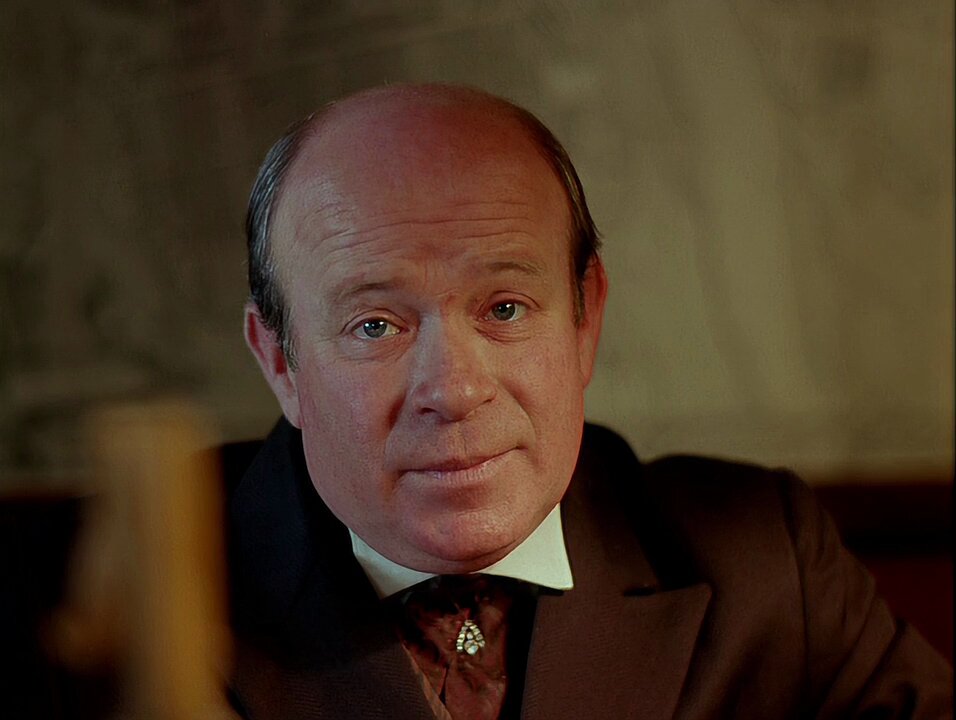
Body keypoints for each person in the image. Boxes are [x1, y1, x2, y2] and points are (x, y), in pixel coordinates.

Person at [229, 84, 951, 719]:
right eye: (375, 326)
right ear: (280, 361)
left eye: (505, 309)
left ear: (585, 321)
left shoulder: (767, 565)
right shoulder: (171, 595)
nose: (454, 390)